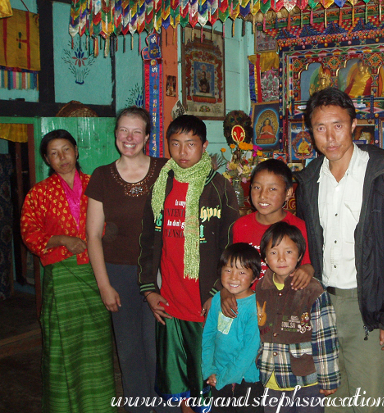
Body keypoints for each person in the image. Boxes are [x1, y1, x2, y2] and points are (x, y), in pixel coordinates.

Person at [295, 87, 384, 413]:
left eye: (338, 125)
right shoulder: (308, 181)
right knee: (332, 405)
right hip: (323, 306)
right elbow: (307, 245)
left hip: (369, 306)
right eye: (320, 128)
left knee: (369, 405)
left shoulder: (383, 173)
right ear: (311, 130)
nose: (330, 137)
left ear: (353, 125)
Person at [138, 115, 240, 413]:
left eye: (191, 144)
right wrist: (149, 290)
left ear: (204, 146)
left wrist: (218, 290)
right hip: (169, 303)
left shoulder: (220, 187)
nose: (183, 152)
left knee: (204, 381)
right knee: (179, 384)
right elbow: (147, 240)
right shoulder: (161, 185)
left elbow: (231, 245)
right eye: (176, 144)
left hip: (203, 303)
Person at [20, 129, 116, 413]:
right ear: (47, 159)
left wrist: (99, 241)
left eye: (66, 150)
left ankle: (99, 406)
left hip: (95, 275)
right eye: (54, 153)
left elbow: (110, 225)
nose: (62, 158)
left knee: (96, 347)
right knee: (63, 347)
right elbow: (29, 233)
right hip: (62, 278)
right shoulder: (38, 193)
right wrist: (62, 240)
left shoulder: (95, 185)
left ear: (76, 151)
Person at [86, 107, 168, 413]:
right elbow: (93, 235)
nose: (129, 137)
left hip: (160, 275)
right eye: (123, 130)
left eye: (136, 131)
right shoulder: (102, 176)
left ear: (147, 136)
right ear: (116, 134)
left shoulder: (166, 169)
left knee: (158, 350)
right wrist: (104, 285)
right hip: (118, 274)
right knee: (130, 353)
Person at [257, 221, 340, 413]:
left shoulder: (313, 290)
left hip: (306, 381)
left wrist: (329, 378)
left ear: (300, 255)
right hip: (272, 379)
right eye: (273, 252)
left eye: (288, 252)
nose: (281, 258)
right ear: (265, 258)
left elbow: (325, 337)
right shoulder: (261, 288)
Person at [223, 159, 314, 317]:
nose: (262, 195)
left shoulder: (300, 228)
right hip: (248, 309)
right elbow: (231, 267)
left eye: (272, 189)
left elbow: (309, 265)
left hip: (285, 310)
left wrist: (308, 269)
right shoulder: (241, 226)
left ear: (288, 193)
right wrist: (224, 292)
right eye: (257, 187)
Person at [202, 243, 263, 413]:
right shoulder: (216, 300)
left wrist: (223, 378)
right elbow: (208, 336)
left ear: (254, 277)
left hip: (247, 379)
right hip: (218, 377)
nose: (233, 277)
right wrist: (209, 370)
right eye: (228, 270)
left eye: (242, 272)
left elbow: (249, 350)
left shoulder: (255, 307)